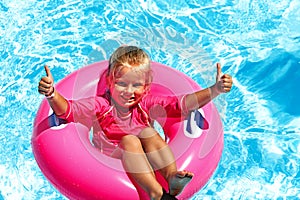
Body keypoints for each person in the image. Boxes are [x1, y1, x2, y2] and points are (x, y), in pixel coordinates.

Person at [38, 46, 233, 200]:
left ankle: (171, 175)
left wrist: (214, 90)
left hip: (144, 155)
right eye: (121, 83)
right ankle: (155, 192)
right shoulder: (101, 105)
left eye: (137, 85)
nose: (128, 91)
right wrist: (52, 94)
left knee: (148, 133)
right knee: (130, 140)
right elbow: (69, 111)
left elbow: (181, 104)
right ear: (109, 82)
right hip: (112, 159)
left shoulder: (147, 104)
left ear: (147, 87)